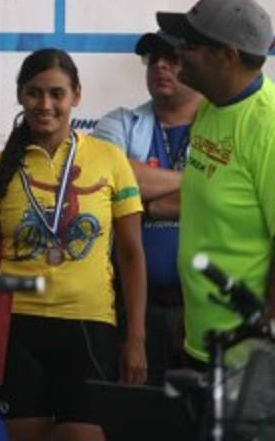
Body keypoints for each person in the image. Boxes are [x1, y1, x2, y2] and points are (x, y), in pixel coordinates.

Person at [0, 48, 147, 441]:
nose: (44, 104)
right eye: (34, 93)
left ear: (76, 96)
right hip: (16, 326)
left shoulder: (110, 158)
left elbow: (132, 255)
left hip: (89, 324)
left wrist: (135, 337)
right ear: (20, 95)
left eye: (56, 93)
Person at [155, 0, 275, 365]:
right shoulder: (210, 107)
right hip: (201, 340)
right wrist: (190, 318)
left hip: (246, 359)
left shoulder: (268, 126)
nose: (177, 52)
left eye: (190, 44)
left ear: (228, 56)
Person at [92, 30, 200, 384]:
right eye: (153, 59)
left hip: (203, 307)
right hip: (133, 308)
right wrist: (200, 183)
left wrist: (145, 207)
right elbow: (113, 178)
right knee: (136, 410)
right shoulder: (120, 122)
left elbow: (230, 195)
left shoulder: (222, 126)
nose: (160, 66)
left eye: (172, 58)